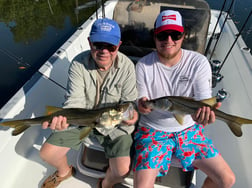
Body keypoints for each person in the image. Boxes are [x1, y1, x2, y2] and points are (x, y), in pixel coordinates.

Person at [133, 10, 235, 188]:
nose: (169, 40)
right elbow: (141, 100)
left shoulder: (198, 62)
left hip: (189, 129)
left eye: (175, 34)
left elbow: (203, 101)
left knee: (227, 179)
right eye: (163, 35)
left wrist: (204, 116)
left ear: (183, 35)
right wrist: (141, 106)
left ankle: (232, 121)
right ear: (155, 36)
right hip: (152, 131)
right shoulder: (143, 65)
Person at [40, 18, 138, 188]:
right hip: (81, 121)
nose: (104, 51)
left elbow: (129, 103)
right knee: (47, 154)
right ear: (89, 42)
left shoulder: (127, 66)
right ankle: (65, 171)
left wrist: (133, 116)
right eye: (98, 44)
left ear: (119, 45)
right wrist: (63, 121)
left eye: (111, 46)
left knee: (122, 171)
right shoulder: (78, 63)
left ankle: (106, 182)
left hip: (115, 125)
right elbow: (74, 102)